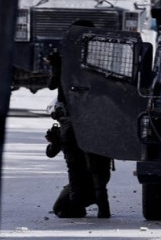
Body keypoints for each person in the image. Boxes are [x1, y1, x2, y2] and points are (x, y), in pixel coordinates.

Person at [44, 52, 112, 218]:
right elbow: (51, 152)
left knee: (65, 205)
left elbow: (52, 84)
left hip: (77, 128)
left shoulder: (69, 66)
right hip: (87, 127)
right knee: (92, 169)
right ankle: (100, 205)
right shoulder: (101, 64)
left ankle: (84, 202)